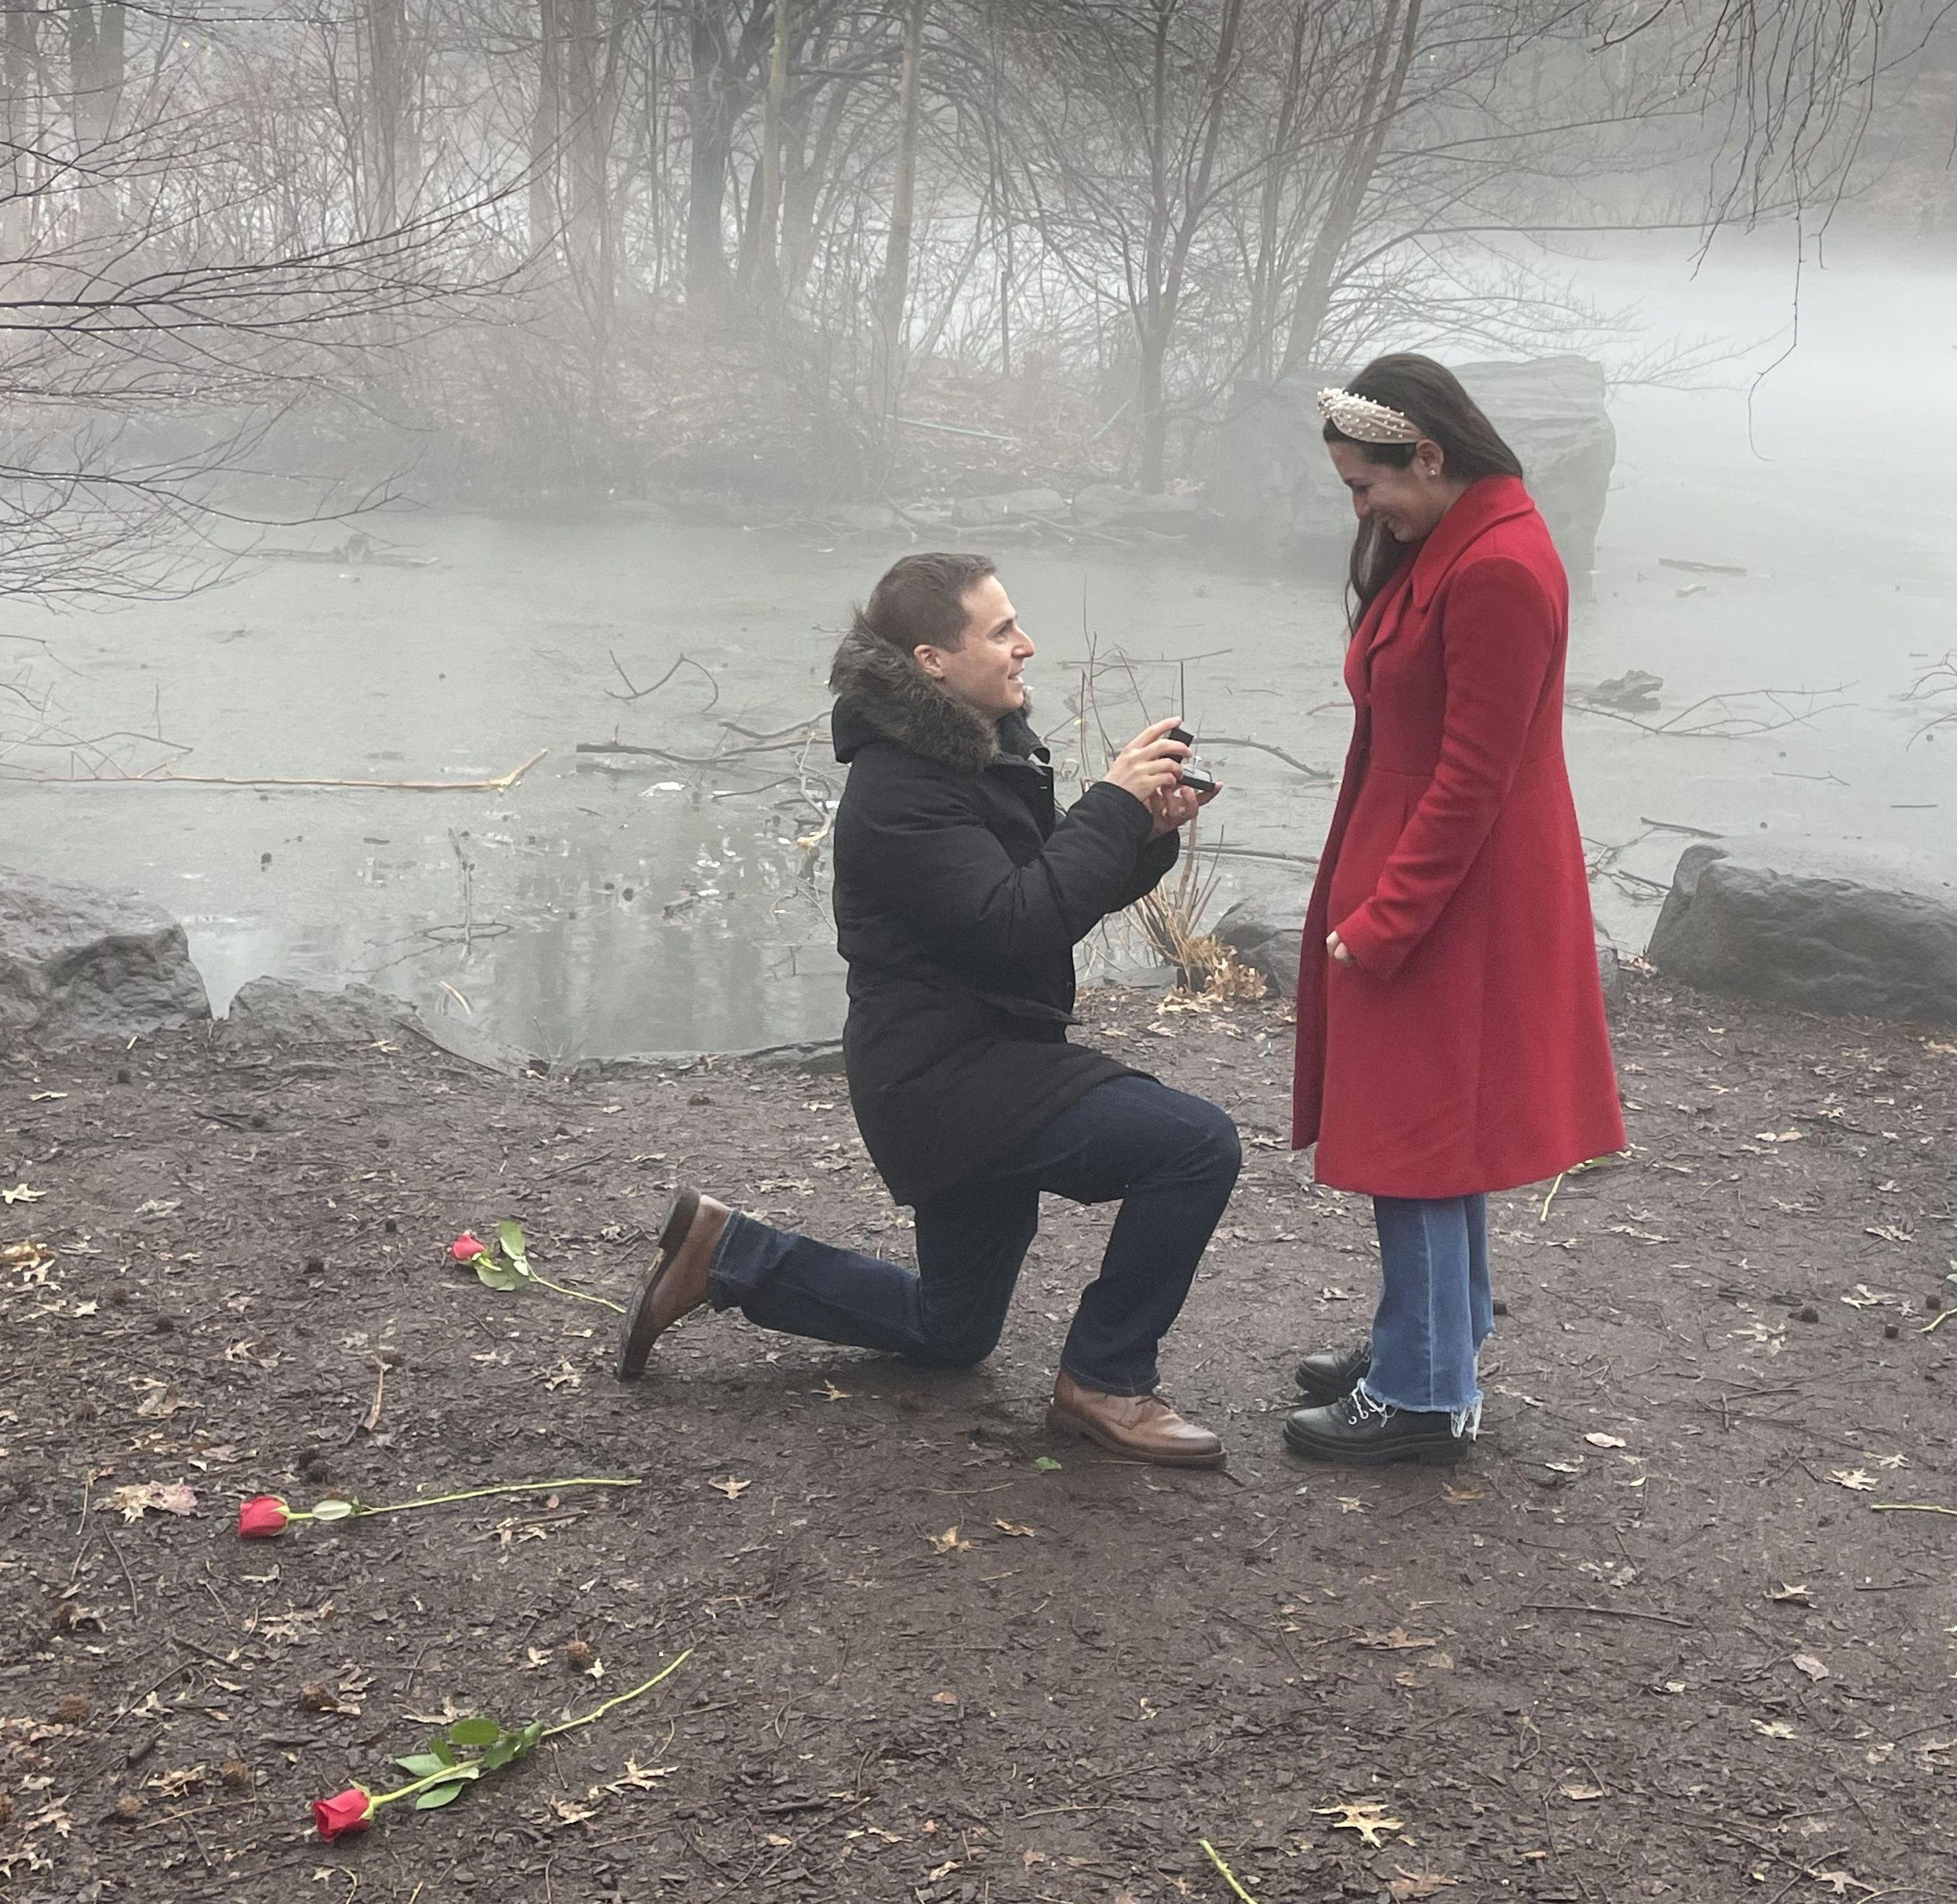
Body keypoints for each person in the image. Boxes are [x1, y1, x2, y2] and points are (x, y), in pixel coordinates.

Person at [613, 551, 1240, 1468]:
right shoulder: (899, 788)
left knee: (953, 1330)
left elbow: (1038, 894)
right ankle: (1105, 1380)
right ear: (931, 661)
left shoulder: (976, 752)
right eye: (1000, 632)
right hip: (951, 1078)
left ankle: (730, 1253)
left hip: (980, 1059)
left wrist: (1138, 837)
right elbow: (1015, 924)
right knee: (1195, 1145)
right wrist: (1108, 804)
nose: (1026, 646)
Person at [1285, 354, 1625, 1467]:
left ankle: (1427, 1392)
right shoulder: (1457, 543)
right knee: (1427, 1127)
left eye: (1366, 485)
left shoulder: (1497, 571)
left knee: (1415, 1137)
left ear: (1426, 455)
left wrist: (1384, 916)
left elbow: (1474, 778)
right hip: (1425, 876)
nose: (1361, 508)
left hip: (1450, 901)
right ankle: (1431, 1335)